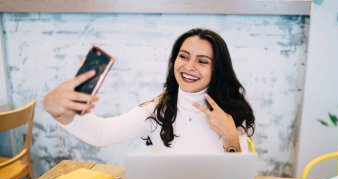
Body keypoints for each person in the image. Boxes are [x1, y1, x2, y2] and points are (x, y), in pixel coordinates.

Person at [44, 28, 255, 153]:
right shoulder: (156, 111)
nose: (189, 66)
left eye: (202, 61)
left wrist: (230, 139)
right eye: (183, 56)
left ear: (216, 69)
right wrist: (60, 113)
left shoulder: (231, 111)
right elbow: (102, 133)